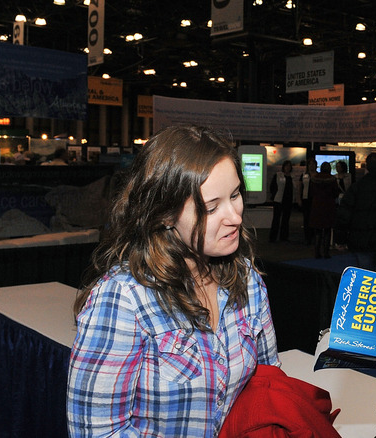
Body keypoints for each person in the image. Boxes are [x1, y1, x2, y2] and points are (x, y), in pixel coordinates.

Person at [67, 125, 280, 437]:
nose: (235, 215)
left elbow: (268, 382)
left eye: (235, 195)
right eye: (211, 207)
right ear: (165, 214)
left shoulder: (246, 280)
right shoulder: (124, 298)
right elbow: (96, 432)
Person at [308, 161, 341, 258]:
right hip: (328, 206)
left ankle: (317, 252)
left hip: (316, 205)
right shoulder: (332, 179)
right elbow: (335, 193)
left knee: (317, 230)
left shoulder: (314, 179)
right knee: (327, 230)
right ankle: (326, 252)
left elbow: (311, 192)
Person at [268, 160, 295, 242]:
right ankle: (273, 237)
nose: (288, 168)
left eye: (289, 166)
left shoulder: (292, 176)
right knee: (276, 219)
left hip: (288, 201)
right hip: (278, 200)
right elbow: (272, 186)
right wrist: (274, 194)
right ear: (284, 167)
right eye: (286, 166)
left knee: (286, 220)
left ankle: (284, 237)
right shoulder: (278, 175)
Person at [299, 158, 318, 245]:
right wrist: (298, 199)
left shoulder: (318, 175)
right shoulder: (303, 175)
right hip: (306, 199)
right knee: (306, 219)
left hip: (316, 199)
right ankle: (307, 237)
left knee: (314, 218)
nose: (311, 166)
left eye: (313, 164)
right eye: (310, 164)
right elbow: (300, 187)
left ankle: (314, 236)